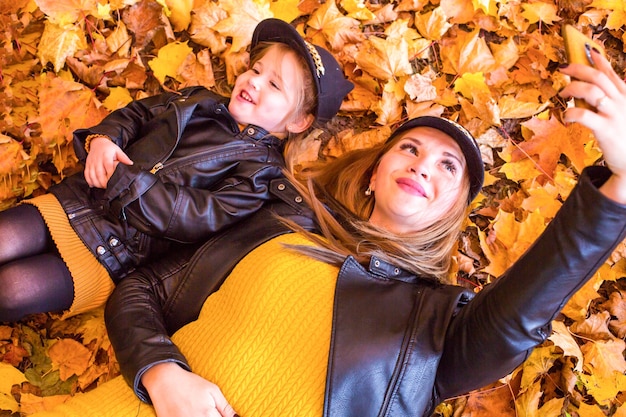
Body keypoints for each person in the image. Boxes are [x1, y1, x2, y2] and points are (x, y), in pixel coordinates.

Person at [30, 48, 626, 417]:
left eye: (449, 168)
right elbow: (141, 291)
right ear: (373, 175)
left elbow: (522, 316)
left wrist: (620, 182)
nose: (422, 164)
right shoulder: (280, 225)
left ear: (451, 215)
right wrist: (159, 371)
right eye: (411, 148)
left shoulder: (441, 330)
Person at [0, 18, 353, 322]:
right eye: (255, 69)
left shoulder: (260, 176)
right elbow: (138, 115)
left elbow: (196, 217)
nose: (254, 81)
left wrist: (125, 181)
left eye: (274, 85)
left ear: (299, 120)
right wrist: (103, 140)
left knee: (12, 290)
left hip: (112, 250)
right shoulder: (199, 101)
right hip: (78, 198)